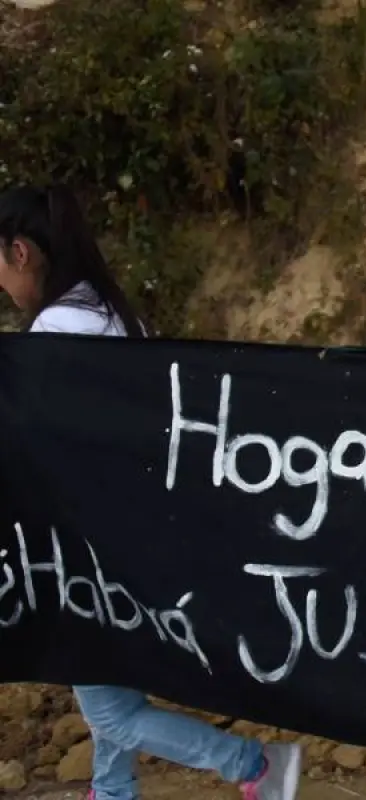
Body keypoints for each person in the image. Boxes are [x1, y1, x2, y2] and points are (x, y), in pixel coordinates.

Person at [0, 184, 303, 800]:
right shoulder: (116, 316)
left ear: (21, 252)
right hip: (128, 540)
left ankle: (253, 765)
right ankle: (112, 792)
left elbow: (42, 450)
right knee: (112, 679)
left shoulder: (55, 333)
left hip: (82, 548)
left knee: (109, 710)